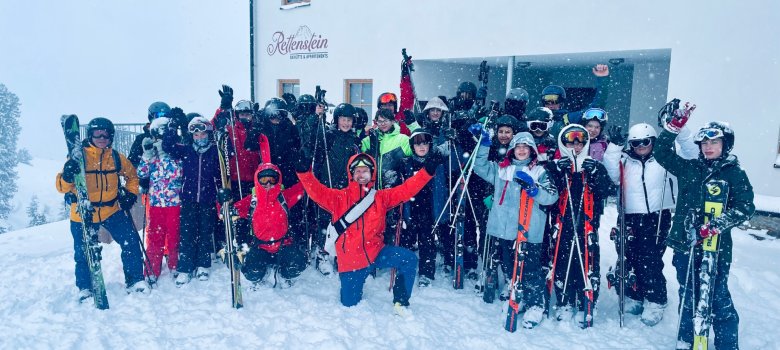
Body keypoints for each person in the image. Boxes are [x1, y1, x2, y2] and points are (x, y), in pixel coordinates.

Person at [654, 105, 754, 350]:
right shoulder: (690, 168)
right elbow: (661, 153)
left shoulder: (734, 173)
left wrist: (715, 226)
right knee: (689, 295)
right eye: (704, 143)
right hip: (684, 242)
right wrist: (674, 127)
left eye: (715, 142)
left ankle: (727, 345)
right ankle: (687, 340)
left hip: (716, 248)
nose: (708, 147)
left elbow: (745, 207)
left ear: (725, 145)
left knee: (718, 298)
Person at [295, 151, 440, 314]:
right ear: (351, 174)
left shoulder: (381, 197)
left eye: (365, 170)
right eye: (357, 171)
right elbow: (316, 191)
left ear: (372, 173)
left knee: (409, 259)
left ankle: (401, 303)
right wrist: (304, 173)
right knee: (349, 305)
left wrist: (427, 171)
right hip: (351, 263)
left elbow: (407, 189)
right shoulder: (338, 198)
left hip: (376, 252)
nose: (361, 174)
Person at [602, 122, 695, 326]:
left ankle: (655, 300)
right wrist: (615, 146)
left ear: (653, 141)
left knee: (650, 259)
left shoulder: (664, 160)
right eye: (635, 143)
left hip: (656, 215)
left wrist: (679, 130)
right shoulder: (625, 160)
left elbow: (691, 153)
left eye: (645, 142)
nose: (641, 146)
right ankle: (635, 295)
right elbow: (611, 172)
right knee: (629, 257)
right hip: (629, 216)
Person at [471, 126, 558, 329]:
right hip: (505, 230)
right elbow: (479, 166)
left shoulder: (539, 171)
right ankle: (518, 298)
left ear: (531, 150)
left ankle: (536, 304)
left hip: (529, 231)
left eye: (525, 147)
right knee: (510, 267)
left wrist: (534, 190)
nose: (521, 150)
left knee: (530, 270)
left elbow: (552, 196)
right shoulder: (501, 169)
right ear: (511, 149)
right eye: (517, 147)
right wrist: (484, 145)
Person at [56, 117, 148, 300]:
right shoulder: (78, 156)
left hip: (111, 210)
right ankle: (85, 287)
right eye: (97, 133)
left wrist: (130, 194)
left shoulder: (115, 157)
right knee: (83, 253)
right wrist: (67, 175)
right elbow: (61, 187)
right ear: (90, 135)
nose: (102, 137)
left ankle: (135, 279)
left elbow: (132, 176)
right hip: (83, 212)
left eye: (106, 134)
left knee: (130, 242)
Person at [545, 124, 611, 327]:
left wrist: (596, 176)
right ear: (563, 143)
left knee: (586, 258)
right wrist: (556, 171)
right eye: (570, 141)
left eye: (580, 141)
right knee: (563, 258)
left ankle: (586, 299)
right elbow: (546, 194)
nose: (576, 145)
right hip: (562, 222)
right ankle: (564, 299)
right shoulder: (555, 165)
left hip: (587, 222)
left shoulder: (594, 165)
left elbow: (607, 189)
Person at [163, 116, 222, 286]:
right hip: (188, 198)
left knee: (205, 232)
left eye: (203, 134)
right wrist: (172, 129)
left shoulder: (214, 151)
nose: (200, 137)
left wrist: (221, 191)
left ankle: (203, 264)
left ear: (208, 134)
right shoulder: (187, 150)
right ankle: (185, 268)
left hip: (207, 199)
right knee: (187, 233)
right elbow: (168, 147)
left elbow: (221, 173)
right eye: (196, 135)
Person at [232, 164, 306, 289]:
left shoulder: (284, 197)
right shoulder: (252, 201)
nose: (268, 184)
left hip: (283, 245)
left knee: (296, 266)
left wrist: (306, 172)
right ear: (257, 180)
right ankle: (263, 272)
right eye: (263, 180)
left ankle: (283, 274)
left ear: (278, 180)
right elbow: (229, 211)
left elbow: (304, 187)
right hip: (260, 247)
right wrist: (223, 201)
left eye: (272, 180)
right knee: (252, 274)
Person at [310, 103, 361, 275]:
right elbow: (313, 142)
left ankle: (342, 254)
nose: (346, 123)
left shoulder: (355, 140)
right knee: (325, 222)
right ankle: (322, 255)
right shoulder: (328, 136)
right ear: (337, 119)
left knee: (345, 222)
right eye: (343, 119)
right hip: (328, 185)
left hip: (347, 188)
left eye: (349, 120)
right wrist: (317, 117)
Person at [136, 116, 183, 284]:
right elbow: (141, 173)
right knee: (155, 236)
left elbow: (180, 173)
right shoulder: (152, 155)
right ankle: (151, 269)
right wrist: (147, 155)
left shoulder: (176, 153)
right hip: (156, 203)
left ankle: (175, 265)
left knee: (174, 235)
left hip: (174, 202)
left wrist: (170, 153)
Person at [397, 129, 447, 287]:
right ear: (412, 146)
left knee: (427, 242)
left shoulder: (436, 163)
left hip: (428, 209)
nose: (421, 146)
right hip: (410, 210)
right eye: (417, 143)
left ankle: (426, 273)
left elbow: (454, 163)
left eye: (424, 142)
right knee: (407, 241)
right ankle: (404, 269)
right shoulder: (406, 164)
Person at [542, 64, 611, 137]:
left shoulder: (569, 119)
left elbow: (596, 107)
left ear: (562, 102)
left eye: (555, 100)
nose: (550, 104)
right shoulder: (536, 119)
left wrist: (603, 79)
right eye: (546, 101)